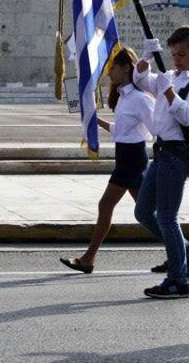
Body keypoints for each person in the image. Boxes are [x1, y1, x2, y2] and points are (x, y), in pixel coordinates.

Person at [60, 46, 154, 273]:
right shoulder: (123, 98)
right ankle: (182, 251)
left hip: (132, 158)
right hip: (125, 156)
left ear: (126, 68)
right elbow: (119, 130)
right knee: (149, 213)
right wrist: (94, 119)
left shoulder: (140, 99)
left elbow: (156, 131)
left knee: (105, 205)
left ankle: (88, 258)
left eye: (112, 67)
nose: (109, 72)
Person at [133, 26, 189, 299]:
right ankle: (188, 254)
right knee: (143, 212)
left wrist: (168, 93)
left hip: (176, 156)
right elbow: (140, 79)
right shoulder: (170, 76)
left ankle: (178, 280)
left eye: (183, 54)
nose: (176, 60)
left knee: (166, 217)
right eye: (174, 54)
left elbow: (188, 117)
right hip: (161, 152)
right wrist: (146, 57)